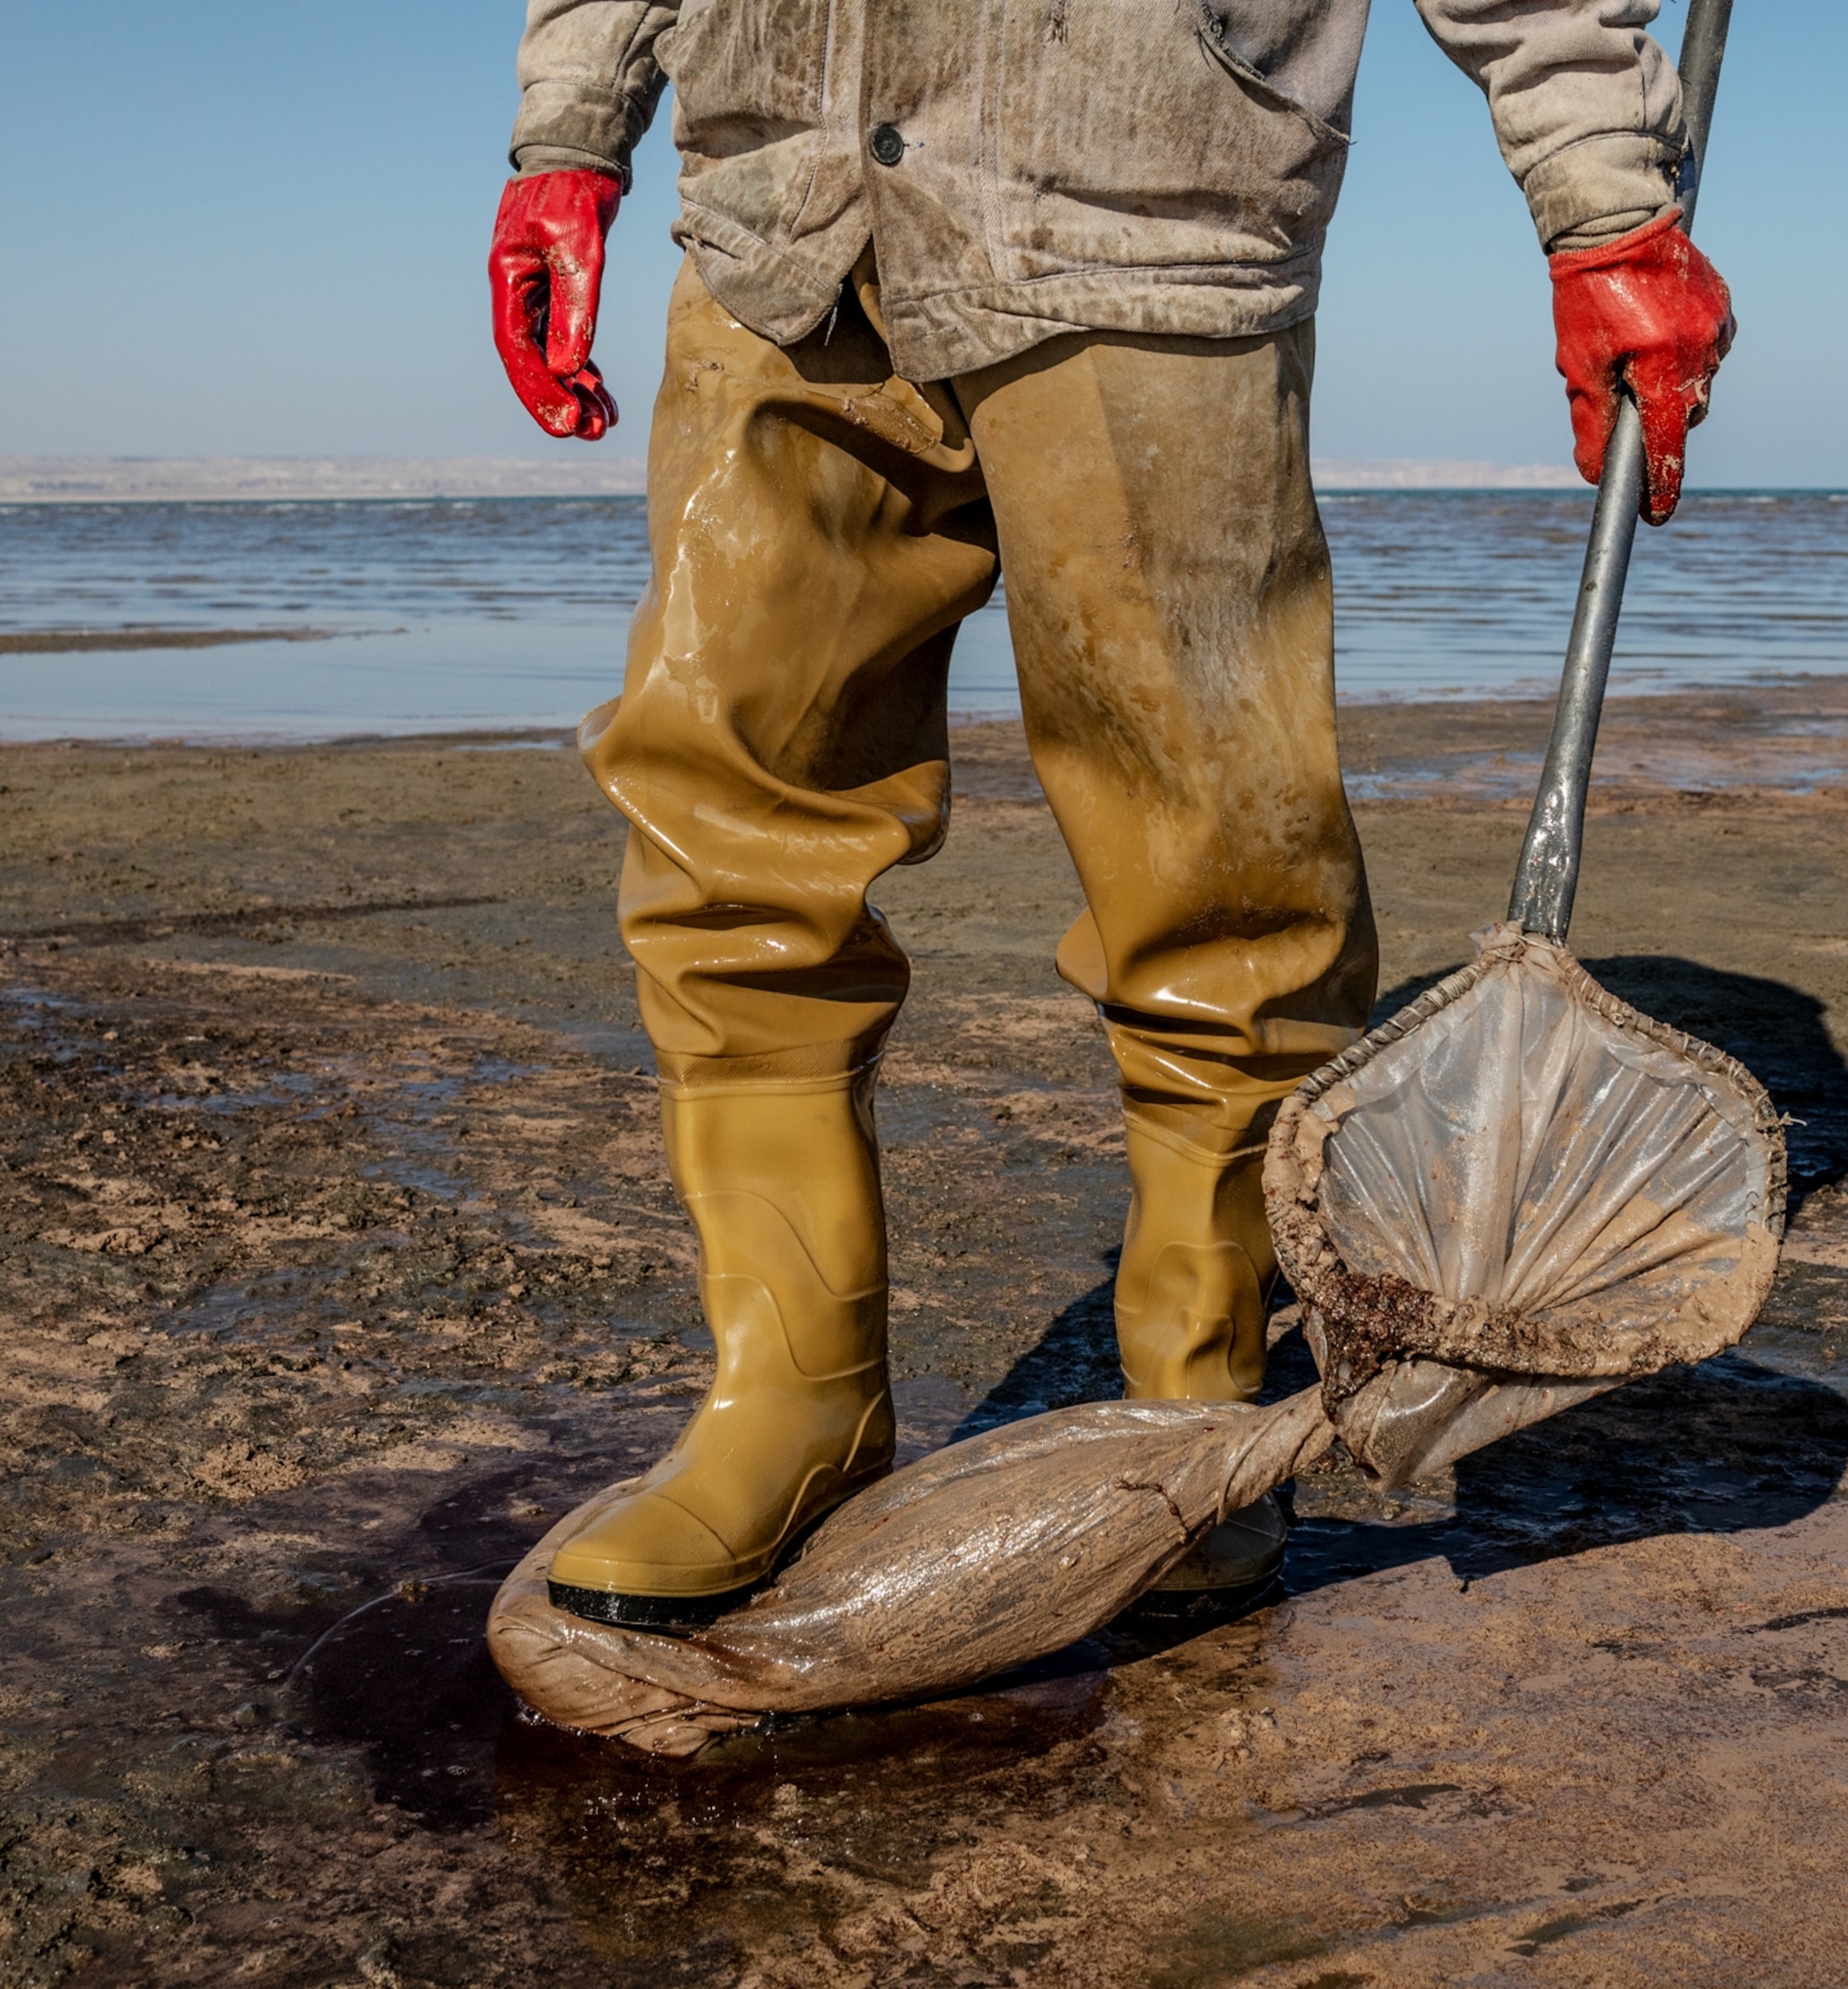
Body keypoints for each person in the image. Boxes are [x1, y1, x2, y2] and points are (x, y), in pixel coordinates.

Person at [489, 0, 1733, 1628]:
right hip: (779, 223)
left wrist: (1606, 197)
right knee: (724, 833)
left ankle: (1192, 1415)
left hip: (1144, 209)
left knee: (1217, 870)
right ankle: (788, 1409)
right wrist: (573, 130)